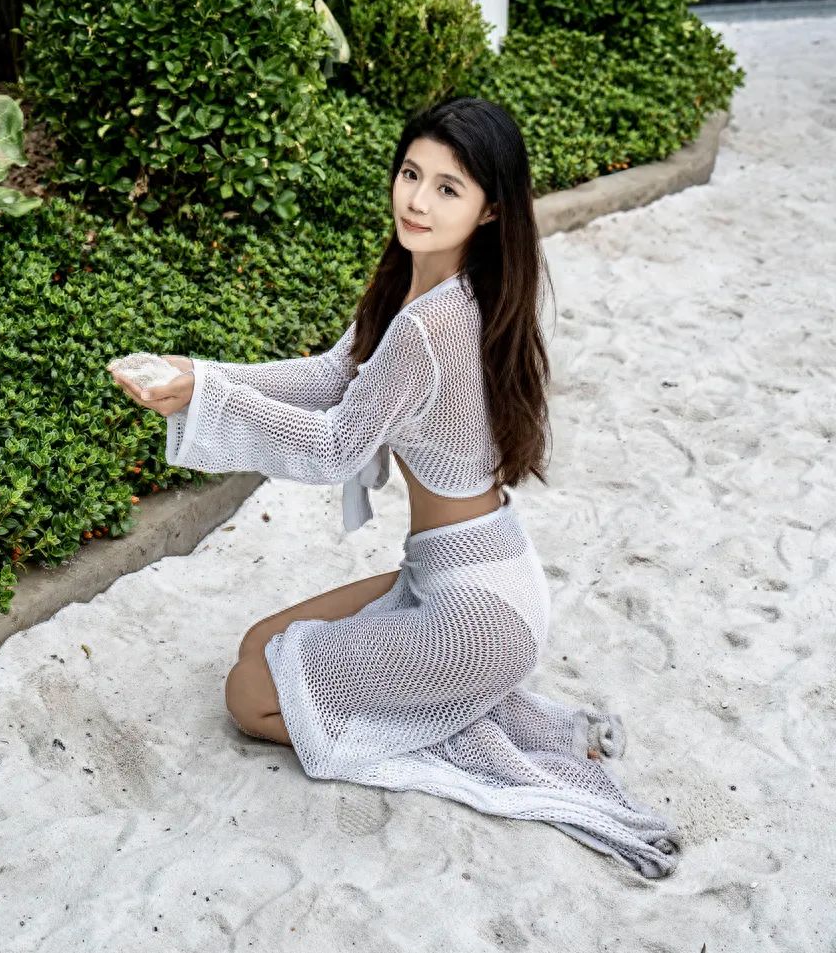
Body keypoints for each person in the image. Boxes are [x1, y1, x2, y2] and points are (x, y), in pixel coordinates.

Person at [108, 94, 681, 878]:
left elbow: (338, 443)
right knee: (256, 648)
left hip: (476, 616)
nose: (417, 199)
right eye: (411, 173)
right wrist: (199, 375)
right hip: (467, 573)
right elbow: (332, 375)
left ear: (488, 209)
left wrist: (205, 402)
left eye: (448, 187)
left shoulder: (432, 325)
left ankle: (470, 725)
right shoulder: (424, 290)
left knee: (250, 698)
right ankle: (451, 703)